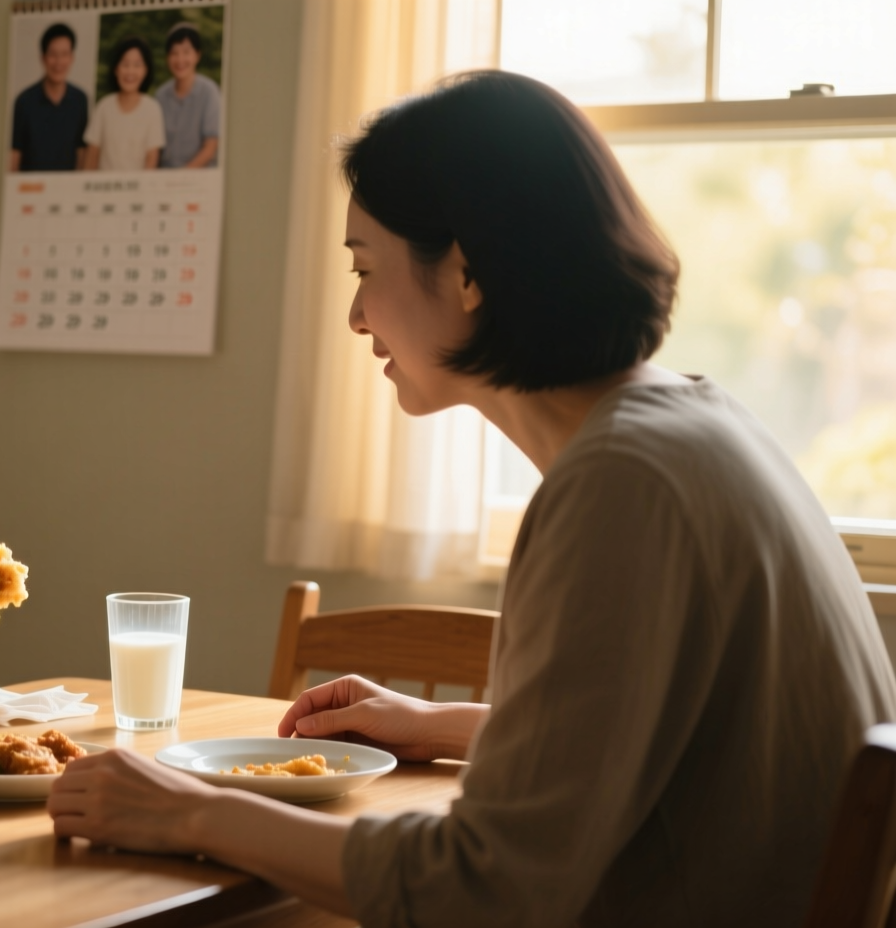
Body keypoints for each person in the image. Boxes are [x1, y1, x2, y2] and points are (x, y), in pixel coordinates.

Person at [48, 71, 896, 927]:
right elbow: (669, 749)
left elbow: (483, 889)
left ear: (466, 272)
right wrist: (442, 725)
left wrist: (189, 812)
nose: (354, 315)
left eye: (365, 267)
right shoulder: (698, 423)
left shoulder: (621, 486)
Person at [9, 23, 89, 172]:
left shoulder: (80, 99)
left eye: (64, 54)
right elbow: (14, 154)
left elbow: (81, 152)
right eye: (53, 54)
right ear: (43, 58)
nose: (59, 62)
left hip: (67, 189)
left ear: (72, 58)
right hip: (31, 190)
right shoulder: (24, 101)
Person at [83, 36, 164, 171]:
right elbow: (92, 156)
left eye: (137, 65)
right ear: (116, 69)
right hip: (103, 190)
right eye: (125, 64)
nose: (130, 71)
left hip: (138, 190)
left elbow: (152, 159)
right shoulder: (103, 106)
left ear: (146, 70)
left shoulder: (152, 109)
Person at [153, 23, 220, 169]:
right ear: (167, 58)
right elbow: (155, 148)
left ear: (197, 55)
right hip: (163, 181)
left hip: (200, 180)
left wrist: (182, 177)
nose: (180, 59)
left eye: (186, 52)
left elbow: (211, 146)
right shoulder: (160, 95)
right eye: (174, 53)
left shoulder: (209, 91)